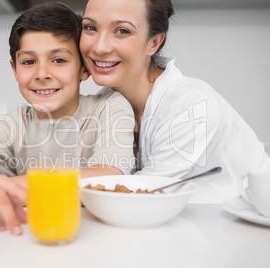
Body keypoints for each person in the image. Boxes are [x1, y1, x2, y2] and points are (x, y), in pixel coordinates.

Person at [0, 2, 135, 235]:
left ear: (84, 69)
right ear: (14, 69)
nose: (42, 74)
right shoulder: (14, 124)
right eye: (29, 62)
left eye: (59, 60)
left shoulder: (109, 107)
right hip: (24, 236)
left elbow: (107, 179)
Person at [79, 0, 268, 203]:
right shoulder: (106, 101)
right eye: (90, 28)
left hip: (253, 220)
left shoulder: (192, 107)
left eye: (122, 31)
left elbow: (135, 197)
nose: (99, 47)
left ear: (154, 42)